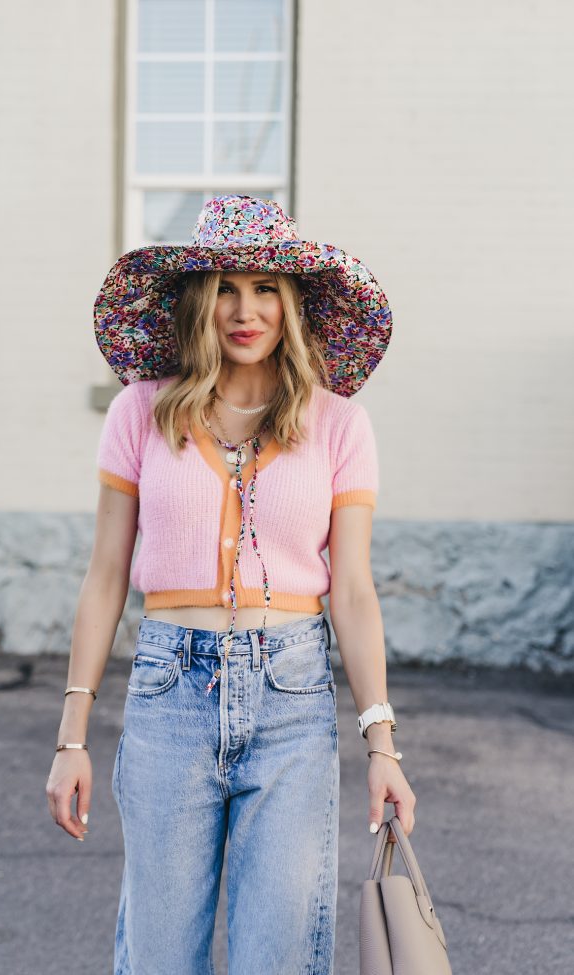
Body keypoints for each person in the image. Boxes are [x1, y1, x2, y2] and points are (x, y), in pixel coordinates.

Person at [45, 195, 416, 974]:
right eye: (225, 289)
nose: (245, 310)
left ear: (295, 303)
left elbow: (351, 591)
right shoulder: (139, 411)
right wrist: (70, 738)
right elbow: (106, 573)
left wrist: (384, 747)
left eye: (266, 289)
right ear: (198, 301)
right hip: (167, 695)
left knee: (277, 955)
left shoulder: (341, 424)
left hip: (293, 699)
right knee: (159, 955)